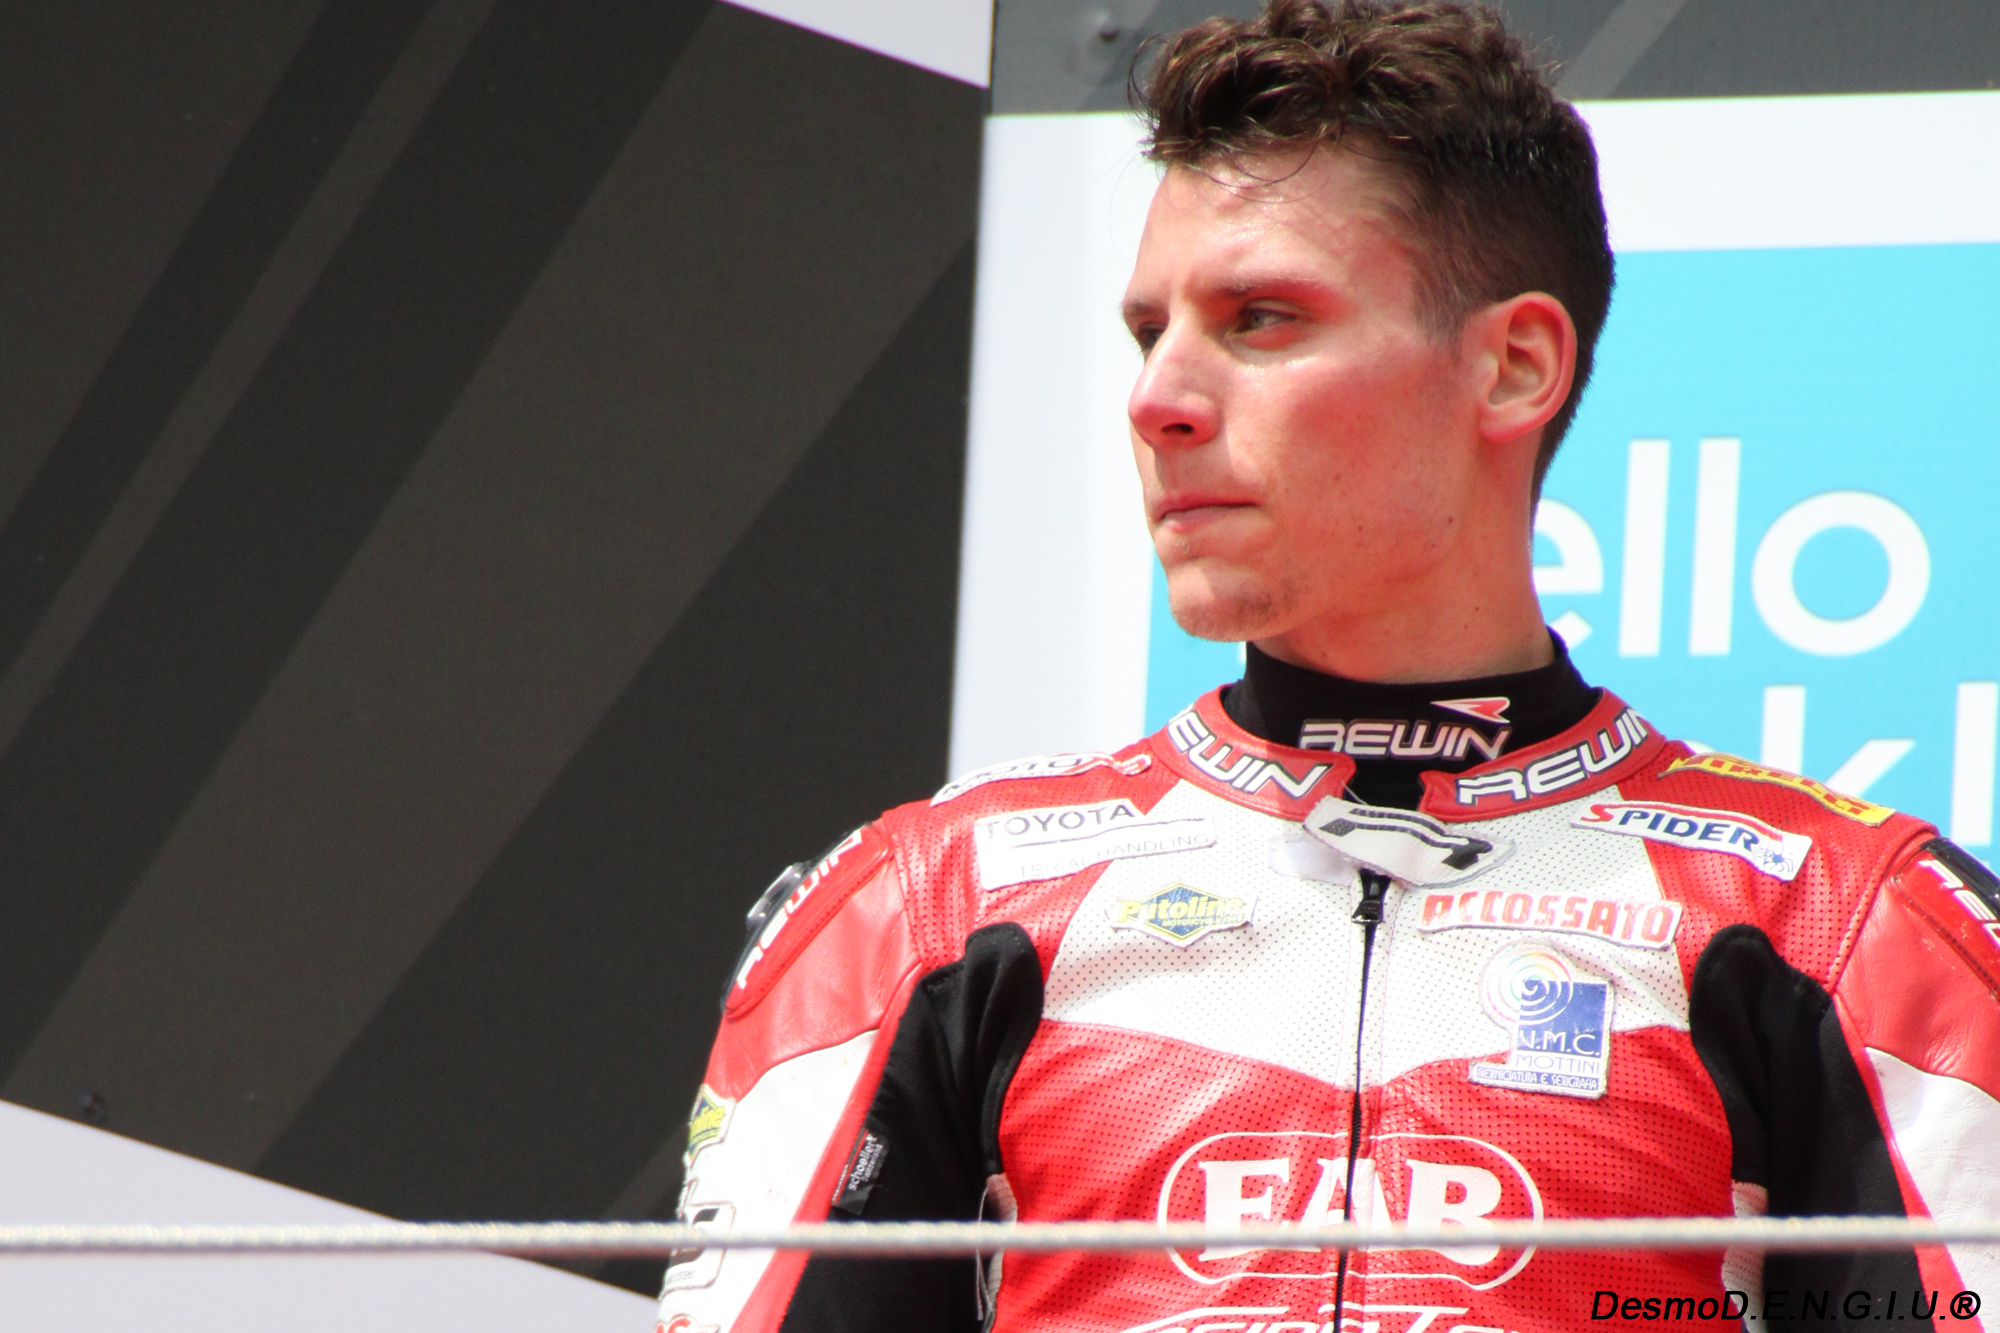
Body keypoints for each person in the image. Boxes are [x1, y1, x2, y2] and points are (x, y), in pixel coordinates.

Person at [656, 2, 2000, 1330]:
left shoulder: (1850, 926)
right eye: (1149, 332)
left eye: (1259, 319)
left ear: (1514, 366)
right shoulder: (922, 911)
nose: (1157, 399)